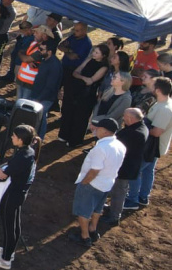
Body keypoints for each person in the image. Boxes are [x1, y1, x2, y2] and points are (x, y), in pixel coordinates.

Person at [0, 124, 38, 270]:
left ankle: (5, 260)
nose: (12, 137)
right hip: (20, 193)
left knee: (9, 226)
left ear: (21, 140)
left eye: (14, 136)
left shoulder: (22, 156)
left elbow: (3, 175)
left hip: (13, 194)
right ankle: (9, 250)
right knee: (15, 224)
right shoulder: (28, 151)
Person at [69, 118, 126, 247]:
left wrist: (84, 183)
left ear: (105, 131)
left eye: (98, 128)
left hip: (92, 184)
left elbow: (95, 170)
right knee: (97, 209)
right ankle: (93, 230)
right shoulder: (120, 145)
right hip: (107, 183)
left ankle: (84, 237)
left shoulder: (101, 148)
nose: (95, 130)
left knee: (83, 211)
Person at [124, 77, 172, 210]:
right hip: (154, 147)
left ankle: (132, 199)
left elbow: (156, 132)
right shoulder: (163, 103)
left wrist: (141, 125)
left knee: (135, 170)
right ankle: (143, 196)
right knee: (148, 171)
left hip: (152, 147)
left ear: (157, 90)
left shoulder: (165, 109)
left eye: (153, 86)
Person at [104, 108, 148, 226]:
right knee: (118, 190)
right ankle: (113, 209)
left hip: (124, 168)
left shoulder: (134, 133)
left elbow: (117, 145)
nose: (123, 117)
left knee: (119, 192)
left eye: (124, 116)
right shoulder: (141, 127)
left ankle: (114, 217)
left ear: (130, 118)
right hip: (127, 166)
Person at [59, 44, 109, 146]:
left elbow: (91, 81)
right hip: (76, 91)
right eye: (94, 51)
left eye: (97, 53)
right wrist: (83, 77)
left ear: (103, 55)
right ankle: (64, 135)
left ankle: (75, 140)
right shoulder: (89, 60)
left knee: (80, 117)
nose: (94, 54)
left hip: (87, 95)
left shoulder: (104, 67)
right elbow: (75, 72)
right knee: (70, 113)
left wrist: (80, 77)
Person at [29, 38, 63, 139]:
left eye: (42, 49)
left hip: (45, 97)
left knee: (40, 117)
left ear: (50, 52)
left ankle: (39, 138)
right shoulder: (45, 60)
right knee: (38, 117)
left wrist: (39, 99)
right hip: (37, 94)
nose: (39, 51)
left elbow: (50, 86)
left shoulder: (55, 65)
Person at [16, 25, 53, 101]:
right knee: (19, 103)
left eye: (37, 32)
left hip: (30, 83)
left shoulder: (43, 50)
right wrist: (27, 59)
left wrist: (26, 58)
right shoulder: (33, 43)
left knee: (24, 105)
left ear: (44, 35)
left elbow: (24, 58)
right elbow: (23, 53)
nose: (34, 34)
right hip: (22, 79)